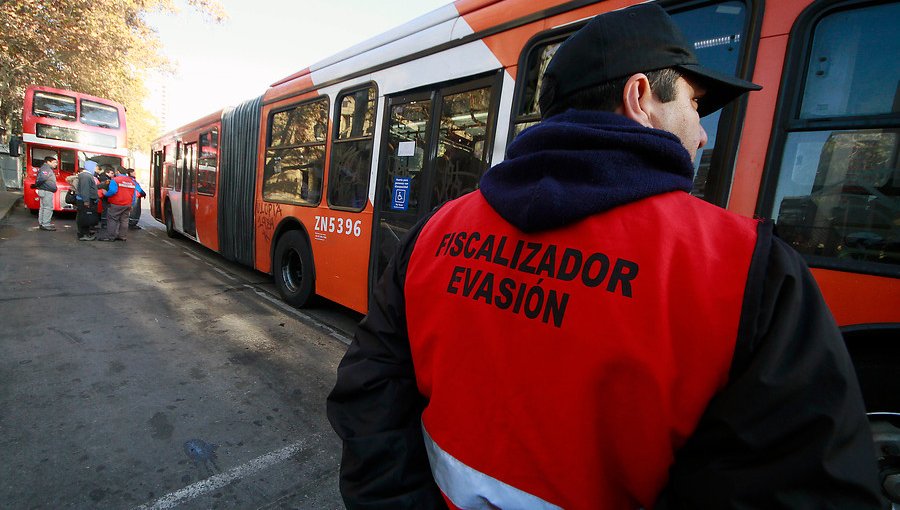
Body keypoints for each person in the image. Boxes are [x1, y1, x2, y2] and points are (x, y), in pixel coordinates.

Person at [326, 4, 887, 509]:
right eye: (695, 105)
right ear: (640, 96)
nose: (702, 136)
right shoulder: (749, 270)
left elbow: (368, 396)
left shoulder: (437, 231)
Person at [97, 167, 136, 242]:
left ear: (118, 172)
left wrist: (105, 194)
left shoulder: (115, 180)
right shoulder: (131, 181)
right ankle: (122, 236)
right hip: (127, 204)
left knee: (112, 219)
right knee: (124, 220)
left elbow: (112, 191)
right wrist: (132, 204)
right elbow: (134, 195)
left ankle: (110, 236)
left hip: (117, 203)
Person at [67, 160, 100, 241]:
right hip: (85, 200)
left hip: (84, 200)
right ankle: (83, 234)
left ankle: (85, 233)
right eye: (95, 166)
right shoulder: (86, 176)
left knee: (84, 217)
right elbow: (85, 189)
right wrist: (86, 201)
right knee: (85, 218)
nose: (97, 168)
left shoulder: (85, 175)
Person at [31, 155, 58, 231]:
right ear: (48, 162)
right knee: (48, 207)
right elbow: (43, 178)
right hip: (46, 191)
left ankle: (42, 223)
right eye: (54, 162)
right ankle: (46, 224)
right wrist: (36, 185)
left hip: (44, 190)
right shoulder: (46, 168)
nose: (56, 164)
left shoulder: (45, 168)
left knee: (43, 207)